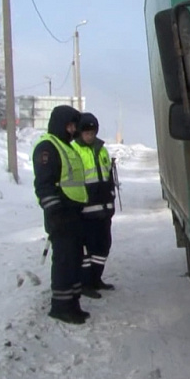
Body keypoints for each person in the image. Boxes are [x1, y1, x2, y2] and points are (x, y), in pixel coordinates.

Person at [32, 105, 90, 325]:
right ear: (61, 123)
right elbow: (44, 184)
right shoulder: (48, 147)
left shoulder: (67, 146)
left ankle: (73, 303)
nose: (73, 129)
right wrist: (54, 211)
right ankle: (61, 307)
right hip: (61, 215)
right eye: (71, 125)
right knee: (64, 262)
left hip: (74, 213)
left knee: (75, 260)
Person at [72, 112, 117, 298]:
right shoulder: (75, 151)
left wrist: (111, 197)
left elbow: (108, 176)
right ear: (80, 133)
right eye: (86, 132)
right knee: (88, 250)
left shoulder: (102, 149)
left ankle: (97, 278)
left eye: (92, 132)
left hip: (104, 209)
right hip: (86, 211)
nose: (90, 136)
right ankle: (86, 283)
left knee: (104, 245)